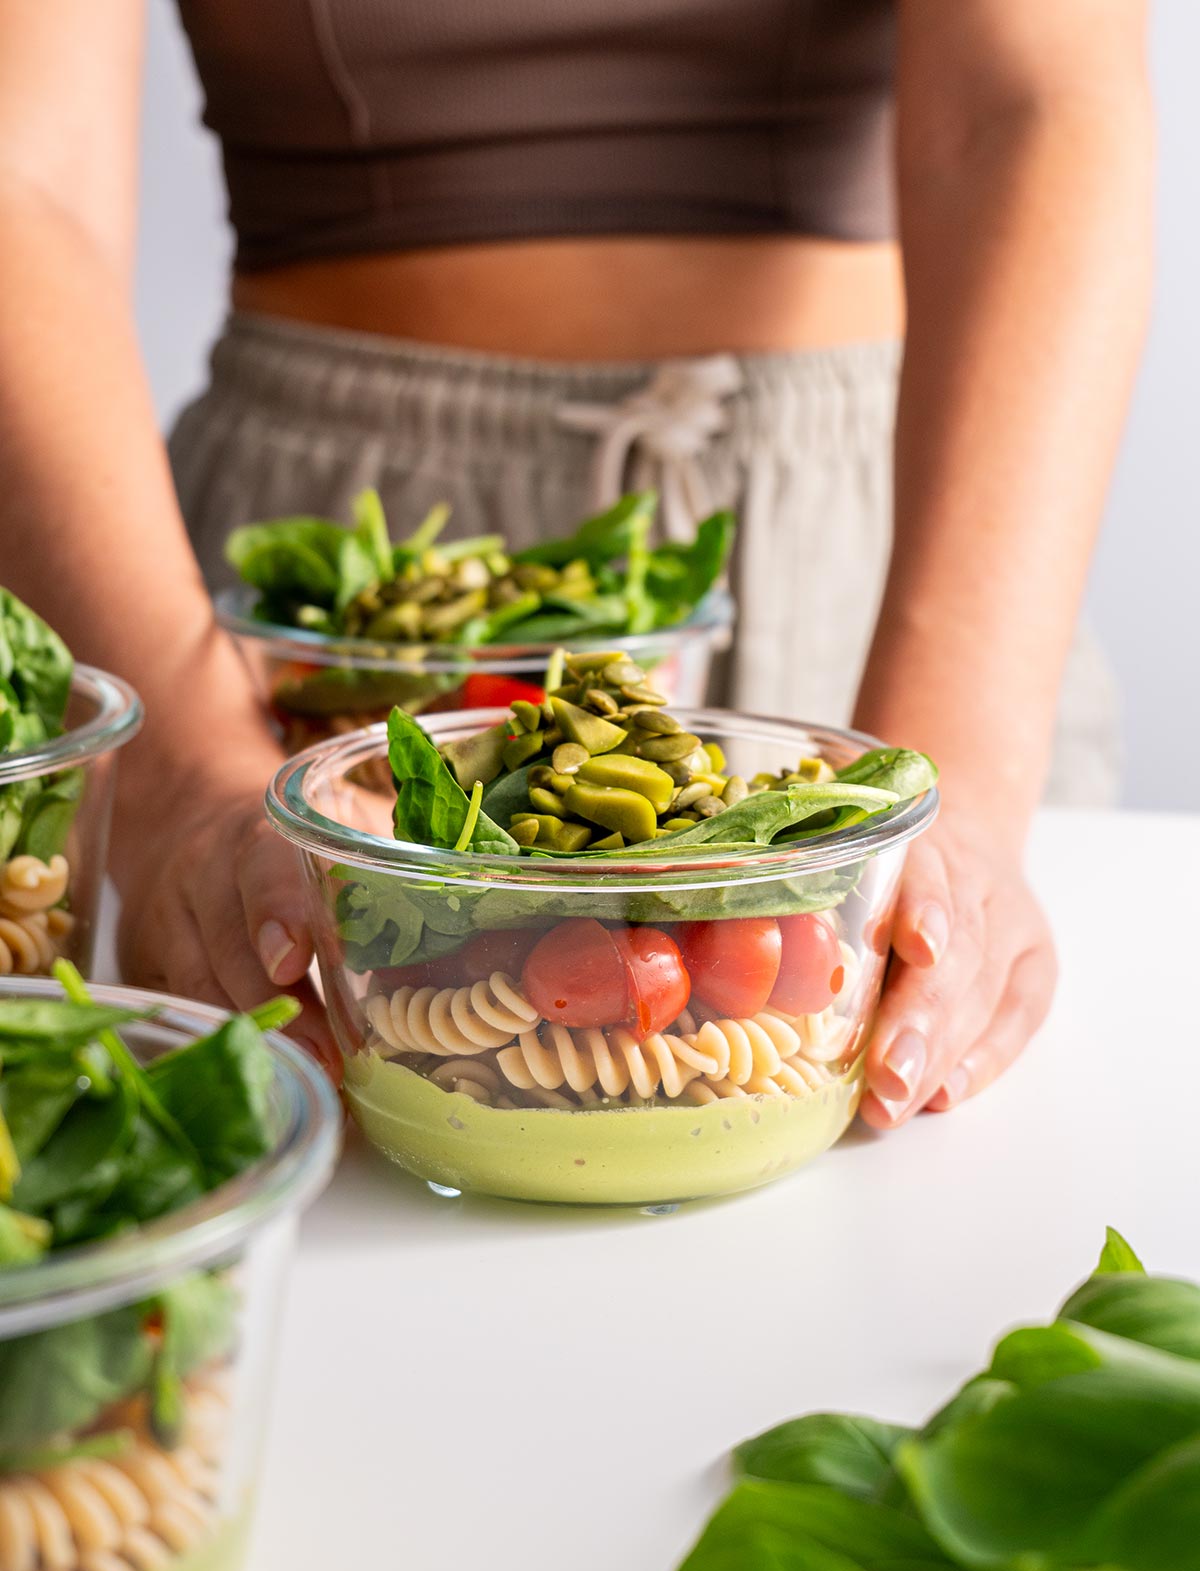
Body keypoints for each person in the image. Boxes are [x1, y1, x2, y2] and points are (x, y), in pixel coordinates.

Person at [0, 0, 1151, 1119]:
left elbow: (1038, 97)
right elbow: (22, 174)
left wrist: (957, 786)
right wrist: (184, 789)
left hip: (900, 554)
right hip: (305, 640)